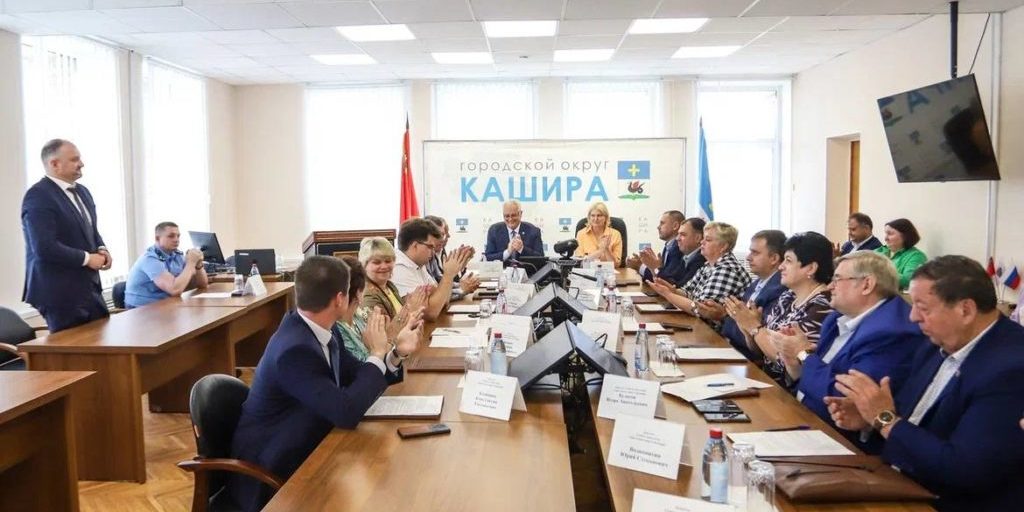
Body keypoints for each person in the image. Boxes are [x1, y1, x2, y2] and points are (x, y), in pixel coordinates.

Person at [826, 256, 1024, 511]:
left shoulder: (1011, 368)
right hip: (895, 482)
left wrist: (884, 420)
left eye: (923, 308)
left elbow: (963, 469)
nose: (912, 317)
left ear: (965, 310)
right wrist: (869, 419)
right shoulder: (936, 343)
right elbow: (911, 422)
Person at [229, 255, 422, 511]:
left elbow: (358, 377)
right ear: (340, 299)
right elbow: (346, 412)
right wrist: (376, 353)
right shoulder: (294, 350)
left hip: (312, 442)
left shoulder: (323, 330)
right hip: (275, 469)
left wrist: (396, 353)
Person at [794, 251, 928, 451]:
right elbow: (811, 377)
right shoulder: (836, 318)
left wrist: (803, 355)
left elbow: (840, 398)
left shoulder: (891, 332)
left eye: (837, 279)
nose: (830, 286)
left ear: (867, 285)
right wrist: (795, 359)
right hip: (804, 417)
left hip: (840, 441)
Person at [22, 139, 112, 332]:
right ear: (54, 164)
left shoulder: (83, 192)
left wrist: (102, 249)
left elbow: (91, 230)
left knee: (103, 342)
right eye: (74, 159)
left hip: (90, 288)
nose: (81, 164)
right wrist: (88, 258)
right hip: (59, 292)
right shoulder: (38, 195)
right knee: (74, 349)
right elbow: (44, 247)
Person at [739, 232, 834, 389]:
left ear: (811, 268)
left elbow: (786, 361)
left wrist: (754, 327)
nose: (781, 266)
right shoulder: (788, 296)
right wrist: (747, 329)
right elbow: (761, 350)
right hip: (766, 381)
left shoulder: (822, 306)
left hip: (790, 392)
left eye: (788, 261)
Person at [705, 230, 786, 360]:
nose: (748, 257)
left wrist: (726, 317)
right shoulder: (757, 283)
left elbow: (752, 338)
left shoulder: (779, 289)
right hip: (733, 350)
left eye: (755, 253)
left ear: (774, 259)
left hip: (748, 360)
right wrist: (726, 315)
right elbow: (742, 322)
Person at [647, 221, 751, 321]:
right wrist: (672, 290)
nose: (702, 242)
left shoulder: (727, 269)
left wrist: (668, 294)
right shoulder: (708, 265)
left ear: (723, 246)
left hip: (714, 331)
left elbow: (701, 309)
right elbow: (688, 293)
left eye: (708, 240)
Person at [335, 255, 423, 362]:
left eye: (388, 261)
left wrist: (397, 349)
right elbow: (365, 366)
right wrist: (389, 338)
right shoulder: (337, 330)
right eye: (376, 262)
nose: (384, 266)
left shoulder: (358, 318)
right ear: (359, 293)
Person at [391, 218, 478, 321]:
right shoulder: (398, 268)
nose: (433, 252)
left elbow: (443, 301)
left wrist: (436, 293)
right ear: (415, 246)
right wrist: (448, 274)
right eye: (430, 247)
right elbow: (431, 313)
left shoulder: (419, 264)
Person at [124, 222, 209, 308]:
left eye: (178, 236)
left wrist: (198, 264)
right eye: (171, 236)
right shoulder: (150, 259)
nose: (176, 240)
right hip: (141, 309)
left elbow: (202, 285)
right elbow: (175, 290)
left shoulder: (177, 255)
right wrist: (191, 263)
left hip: (166, 304)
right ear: (157, 238)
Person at [625, 211, 689, 285]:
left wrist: (640, 266)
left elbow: (667, 280)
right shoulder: (669, 246)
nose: (658, 227)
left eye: (662, 223)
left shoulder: (678, 249)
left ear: (675, 226)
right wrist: (647, 264)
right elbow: (661, 273)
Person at [875, 218, 926, 290]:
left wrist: (877, 272)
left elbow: (908, 280)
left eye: (890, 234)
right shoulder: (879, 251)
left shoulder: (916, 256)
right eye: (886, 233)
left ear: (905, 236)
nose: (885, 238)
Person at [574, 201, 623, 266]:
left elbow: (616, 265)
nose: (595, 219)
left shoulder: (615, 234)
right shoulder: (581, 234)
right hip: (587, 271)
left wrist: (606, 249)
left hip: (608, 271)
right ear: (589, 217)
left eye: (599, 215)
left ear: (606, 217)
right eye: (593, 215)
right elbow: (581, 263)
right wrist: (600, 251)